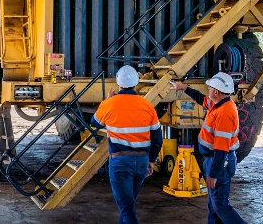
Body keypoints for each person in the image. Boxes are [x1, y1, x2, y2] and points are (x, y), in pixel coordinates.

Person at [171, 73, 247, 224]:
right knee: (213, 205)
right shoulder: (217, 103)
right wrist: (183, 87)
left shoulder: (225, 113)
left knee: (220, 206)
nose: (208, 89)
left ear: (216, 92)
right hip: (213, 159)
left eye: (210, 87)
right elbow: (202, 99)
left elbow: (221, 148)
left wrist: (213, 174)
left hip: (220, 161)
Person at [92, 66, 162, 224]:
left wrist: (107, 100)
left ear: (118, 82)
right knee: (127, 206)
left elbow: (95, 123)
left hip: (121, 163)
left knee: (127, 209)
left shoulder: (109, 104)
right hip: (142, 163)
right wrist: (151, 160)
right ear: (136, 83)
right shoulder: (147, 106)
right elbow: (158, 137)